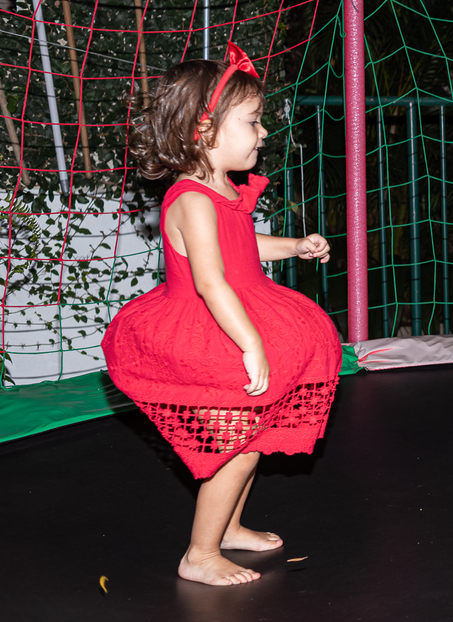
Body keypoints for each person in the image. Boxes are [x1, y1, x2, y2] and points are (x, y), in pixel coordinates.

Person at [102, 45, 342, 585]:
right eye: (252, 122)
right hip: (212, 327)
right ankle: (200, 553)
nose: (262, 133)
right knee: (233, 448)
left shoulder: (221, 192)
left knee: (253, 437)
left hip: (244, 309)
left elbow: (242, 244)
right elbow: (210, 282)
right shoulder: (190, 199)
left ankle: (229, 527)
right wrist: (251, 342)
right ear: (204, 131)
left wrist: (293, 246)